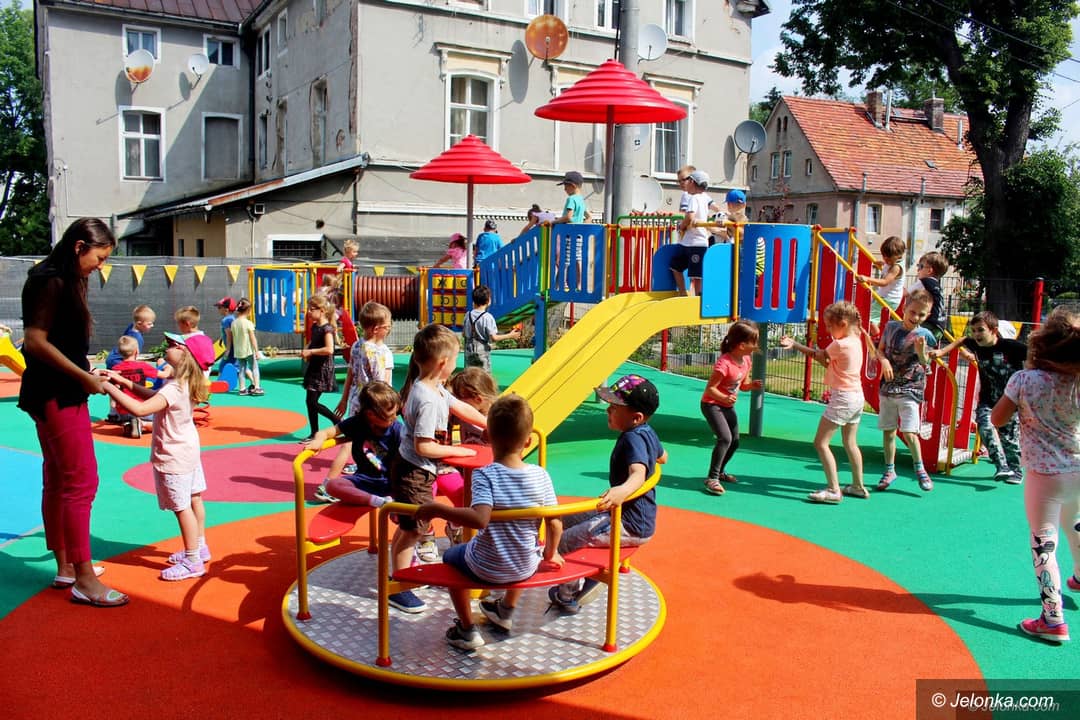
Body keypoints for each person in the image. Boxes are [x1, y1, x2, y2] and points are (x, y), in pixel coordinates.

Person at [18, 218, 125, 606]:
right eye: (99, 258)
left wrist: (86, 368)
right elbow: (34, 341)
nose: (100, 266)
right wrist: (83, 377)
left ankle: (66, 567)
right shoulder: (51, 280)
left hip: (50, 391)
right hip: (58, 394)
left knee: (58, 478)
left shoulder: (57, 278)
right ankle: (84, 578)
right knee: (81, 481)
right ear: (80, 247)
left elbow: (58, 340)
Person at [415, 394, 563, 649]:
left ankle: (466, 629)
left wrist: (438, 510)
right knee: (524, 547)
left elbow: (479, 519)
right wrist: (551, 553)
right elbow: (555, 522)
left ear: (488, 436)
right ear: (528, 441)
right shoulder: (541, 475)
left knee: (450, 557)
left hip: (486, 566)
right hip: (526, 565)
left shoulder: (486, 475)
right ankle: (506, 609)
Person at [990, 307, 1080, 644]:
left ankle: (1052, 619)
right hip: (1077, 467)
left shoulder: (1024, 380)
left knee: (1044, 543)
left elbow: (997, 419)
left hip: (1044, 476)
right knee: (1074, 521)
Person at [388, 323, 488, 613]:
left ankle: (400, 573)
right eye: (455, 359)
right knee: (413, 531)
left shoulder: (433, 388)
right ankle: (400, 585)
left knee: (409, 526)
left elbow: (460, 408)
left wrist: (489, 424)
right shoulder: (428, 399)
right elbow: (424, 446)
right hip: (414, 472)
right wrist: (458, 450)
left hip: (414, 469)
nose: (456, 364)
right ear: (443, 363)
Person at [549, 374, 667, 613]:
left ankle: (568, 595)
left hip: (629, 524)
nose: (608, 410)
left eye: (614, 407)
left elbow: (638, 473)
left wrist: (623, 490)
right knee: (563, 521)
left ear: (636, 417)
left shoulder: (633, 438)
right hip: (625, 514)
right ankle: (592, 578)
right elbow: (663, 457)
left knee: (564, 541)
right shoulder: (646, 431)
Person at [102, 332, 212, 581]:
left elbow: (140, 409)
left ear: (185, 355)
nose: (166, 347)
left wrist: (108, 386)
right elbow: (153, 398)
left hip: (173, 454)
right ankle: (199, 546)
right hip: (187, 449)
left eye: (172, 345)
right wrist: (121, 380)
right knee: (194, 498)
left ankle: (192, 560)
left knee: (181, 507)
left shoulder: (174, 387)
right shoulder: (183, 382)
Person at [780, 302, 870, 503]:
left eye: (830, 326)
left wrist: (795, 344)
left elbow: (819, 356)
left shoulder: (840, 344)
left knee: (820, 443)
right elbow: (827, 361)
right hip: (857, 396)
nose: (828, 330)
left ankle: (833, 489)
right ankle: (858, 486)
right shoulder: (856, 340)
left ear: (843, 323)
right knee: (850, 442)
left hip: (843, 398)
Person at [929, 310, 1026, 482]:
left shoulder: (1010, 347)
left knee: (1008, 438)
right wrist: (942, 351)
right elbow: (961, 340)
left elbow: (1035, 354)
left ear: (994, 330)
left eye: (981, 330)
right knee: (985, 427)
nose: (976, 335)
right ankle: (1001, 466)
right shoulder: (975, 345)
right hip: (987, 399)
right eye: (973, 330)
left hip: (1009, 402)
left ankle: (1016, 471)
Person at [314, 301, 394, 503]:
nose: (389, 329)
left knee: (361, 444)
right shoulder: (382, 353)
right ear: (376, 329)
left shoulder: (358, 345)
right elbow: (382, 385)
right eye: (387, 326)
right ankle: (328, 484)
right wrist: (389, 407)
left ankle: (361, 474)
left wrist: (344, 399)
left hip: (357, 402)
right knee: (355, 444)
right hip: (375, 408)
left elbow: (351, 372)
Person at [875, 288, 938, 492]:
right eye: (913, 312)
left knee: (910, 433)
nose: (916, 317)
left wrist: (921, 352)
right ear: (904, 308)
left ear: (927, 315)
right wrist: (884, 361)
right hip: (888, 387)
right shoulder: (891, 327)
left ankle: (920, 469)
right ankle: (889, 470)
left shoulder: (925, 335)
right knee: (889, 431)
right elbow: (880, 350)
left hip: (911, 389)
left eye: (921, 314)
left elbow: (926, 362)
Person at [304, 382, 400, 509]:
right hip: (363, 480)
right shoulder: (357, 423)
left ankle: (384, 499)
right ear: (370, 414)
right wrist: (318, 441)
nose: (395, 417)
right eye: (390, 415)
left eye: (395, 413)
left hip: (390, 482)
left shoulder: (397, 430)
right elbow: (326, 432)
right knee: (332, 486)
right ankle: (377, 501)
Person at [699, 321, 763, 495]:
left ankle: (720, 471)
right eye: (754, 341)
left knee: (734, 441)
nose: (756, 345)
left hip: (727, 406)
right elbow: (710, 389)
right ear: (742, 345)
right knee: (725, 438)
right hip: (712, 404)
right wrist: (725, 397)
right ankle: (712, 478)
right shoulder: (724, 364)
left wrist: (751, 386)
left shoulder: (746, 360)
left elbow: (743, 385)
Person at [300, 294, 339, 443]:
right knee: (310, 401)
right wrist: (307, 348)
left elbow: (329, 349)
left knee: (312, 402)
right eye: (308, 309)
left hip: (322, 370)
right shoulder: (315, 327)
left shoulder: (327, 329)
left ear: (322, 310)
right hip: (315, 367)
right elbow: (313, 341)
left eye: (312, 309)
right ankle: (314, 432)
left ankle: (337, 421)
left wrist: (311, 352)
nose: (309, 312)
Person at [855, 235, 907, 337]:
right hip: (886, 297)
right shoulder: (891, 263)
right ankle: (877, 334)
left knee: (869, 317)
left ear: (899, 255)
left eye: (889, 257)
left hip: (889, 299)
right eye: (884, 256)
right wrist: (883, 264)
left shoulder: (896, 268)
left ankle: (877, 336)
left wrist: (867, 279)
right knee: (872, 316)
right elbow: (888, 265)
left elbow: (885, 282)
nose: (886, 259)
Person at [548, 171, 592, 290]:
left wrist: (554, 222)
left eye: (566, 186)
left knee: (564, 261)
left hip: (568, 234)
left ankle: (558, 286)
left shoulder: (571, 199)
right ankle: (579, 284)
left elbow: (568, 217)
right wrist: (580, 226)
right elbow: (589, 217)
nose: (564, 189)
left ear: (573, 186)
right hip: (578, 235)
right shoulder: (581, 200)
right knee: (577, 259)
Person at [672, 170, 713, 296]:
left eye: (687, 180)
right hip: (690, 242)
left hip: (696, 243)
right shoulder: (704, 198)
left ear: (692, 182)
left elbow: (690, 216)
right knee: (676, 266)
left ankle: (696, 298)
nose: (685, 184)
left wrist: (682, 226)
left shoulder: (694, 198)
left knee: (695, 274)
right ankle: (684, 294)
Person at [463, 285, 521, 372]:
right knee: (484, 374)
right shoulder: (488, 317)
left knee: (470, 374)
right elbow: (494, 338)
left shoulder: (468, 315)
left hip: (468, 350)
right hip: (482, 351)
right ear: (488, 301)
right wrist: (510, 335)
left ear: (474, 300)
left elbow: (464, 334)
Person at [110, 335, 159, 438]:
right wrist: (168, 368)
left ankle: (128, 424)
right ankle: (142, 424)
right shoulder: (143, 366)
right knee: (163, 422)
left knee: (127, 416)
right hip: (142, 409)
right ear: (137, 351)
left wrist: (114, 409)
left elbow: (113, 390)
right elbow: (163, 375)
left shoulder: (115, 369)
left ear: (119, 352)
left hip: (123, 411)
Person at [906, 251, 948, 340]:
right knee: (921, 344)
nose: (918, 270)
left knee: (906, 339)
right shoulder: (937, 286)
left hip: (928, 324)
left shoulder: (925, 281)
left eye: (920, 266)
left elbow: (905, 293)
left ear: (929, 271)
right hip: (940, 326)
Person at [104, 304, 156, 369]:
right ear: (139, 324)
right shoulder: (137, 339)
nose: (152, 325)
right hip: (117, 362)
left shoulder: (131, 327)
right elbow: (133, 357)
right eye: (149, 324)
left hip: (111, 358)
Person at [229, 298, 264, 396]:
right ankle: (257, 387)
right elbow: (253, 338)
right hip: (248, 350)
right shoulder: (248, 323)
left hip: (238, 351)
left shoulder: (233, 323)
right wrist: (257, 351)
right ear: (248, 310)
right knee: (254, 367)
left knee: (242, 369)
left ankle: (242, 389)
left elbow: (232, 337)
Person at [213, 297, 237, 375]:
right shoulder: (233, 318)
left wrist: (228, 350)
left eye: (220, 307)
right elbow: (228, 333)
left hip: (230, 349)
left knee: (222, 367)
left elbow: (229, 336)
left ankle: (220, 381)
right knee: (240, 366)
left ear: (226, 309)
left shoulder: (226, 320)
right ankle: (254, 380)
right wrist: (221, 338)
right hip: (235, 348)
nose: (218, 309)